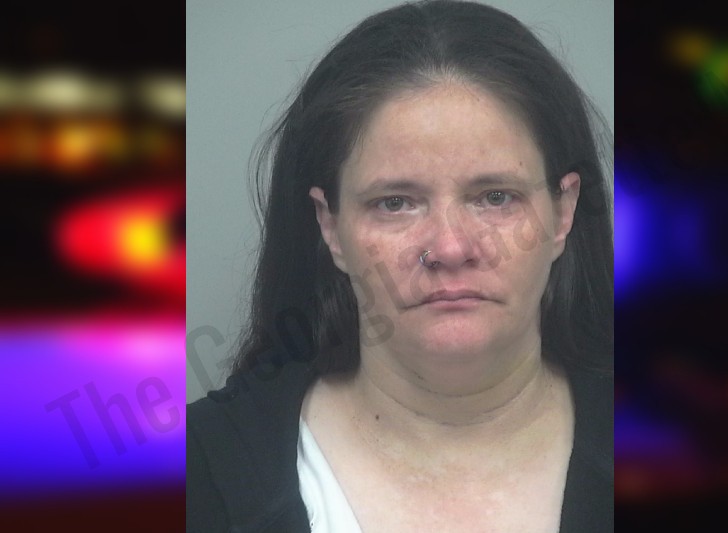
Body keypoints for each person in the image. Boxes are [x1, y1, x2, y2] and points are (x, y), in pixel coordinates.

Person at [187, 1, 613, 531]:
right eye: (395, 203)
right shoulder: (196, 474)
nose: (450, 248)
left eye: (496, 197)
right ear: (330, 226)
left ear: (563, 212)